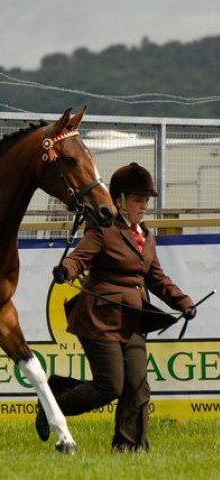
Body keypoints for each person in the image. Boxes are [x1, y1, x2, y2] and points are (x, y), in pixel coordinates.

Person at [36, 162, 196, 452]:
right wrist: (66, 270)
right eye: (138, 200)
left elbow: (156, 278)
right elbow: (79, 257)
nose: (144, 206)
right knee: (110, 386)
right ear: (120, 199)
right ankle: (52, 405)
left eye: (147, 201)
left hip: (133, 319)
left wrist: (183, 302)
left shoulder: (146, 236)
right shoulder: (102, 229)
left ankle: (127, 448)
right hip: (100, 317)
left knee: (137, 384)